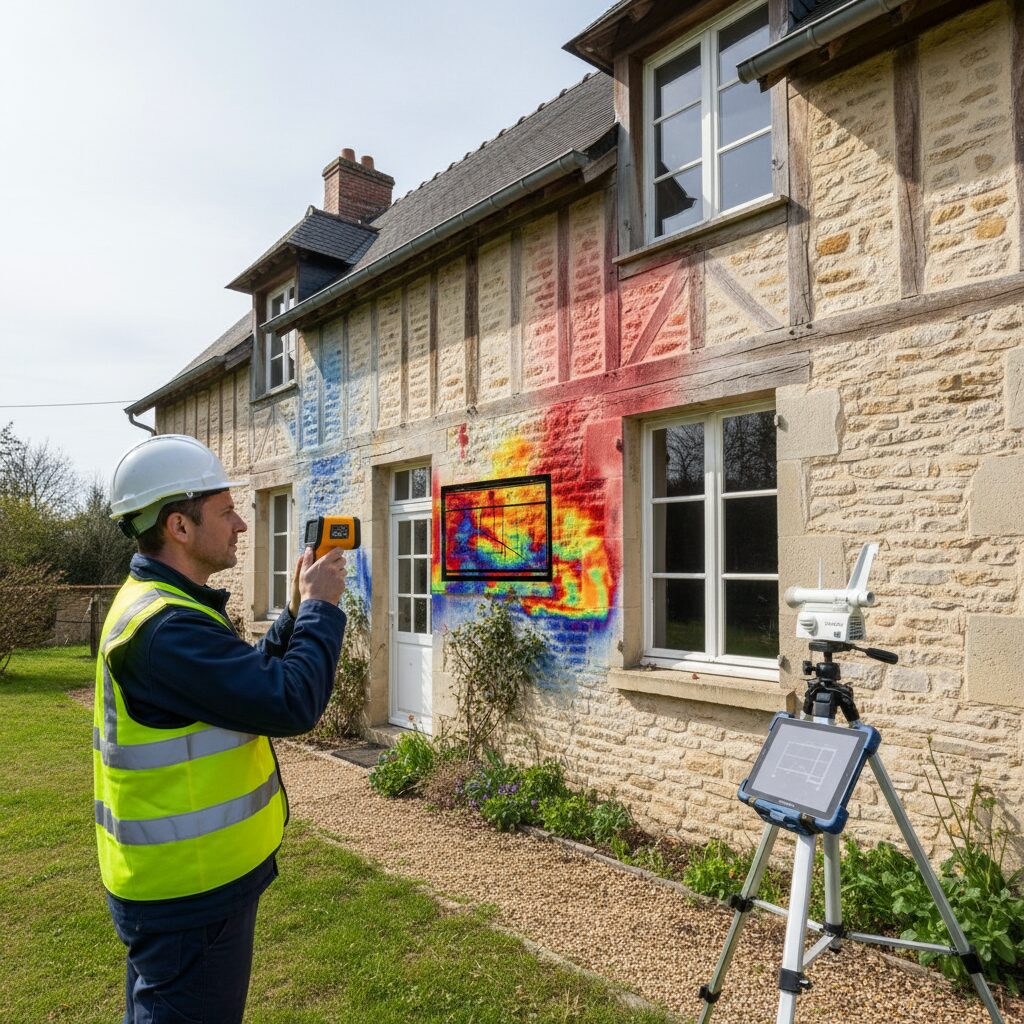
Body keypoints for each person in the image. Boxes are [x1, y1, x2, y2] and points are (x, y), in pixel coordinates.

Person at [95, 433, 347, 1024]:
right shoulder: (165, 629)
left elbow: (246, 682)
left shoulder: (168, 607)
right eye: (227, 510)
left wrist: (293, 614)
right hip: (189, 895)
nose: (241, 524)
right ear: (179, 527)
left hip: (188, 887)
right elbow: (290, 701)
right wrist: (321, 609)